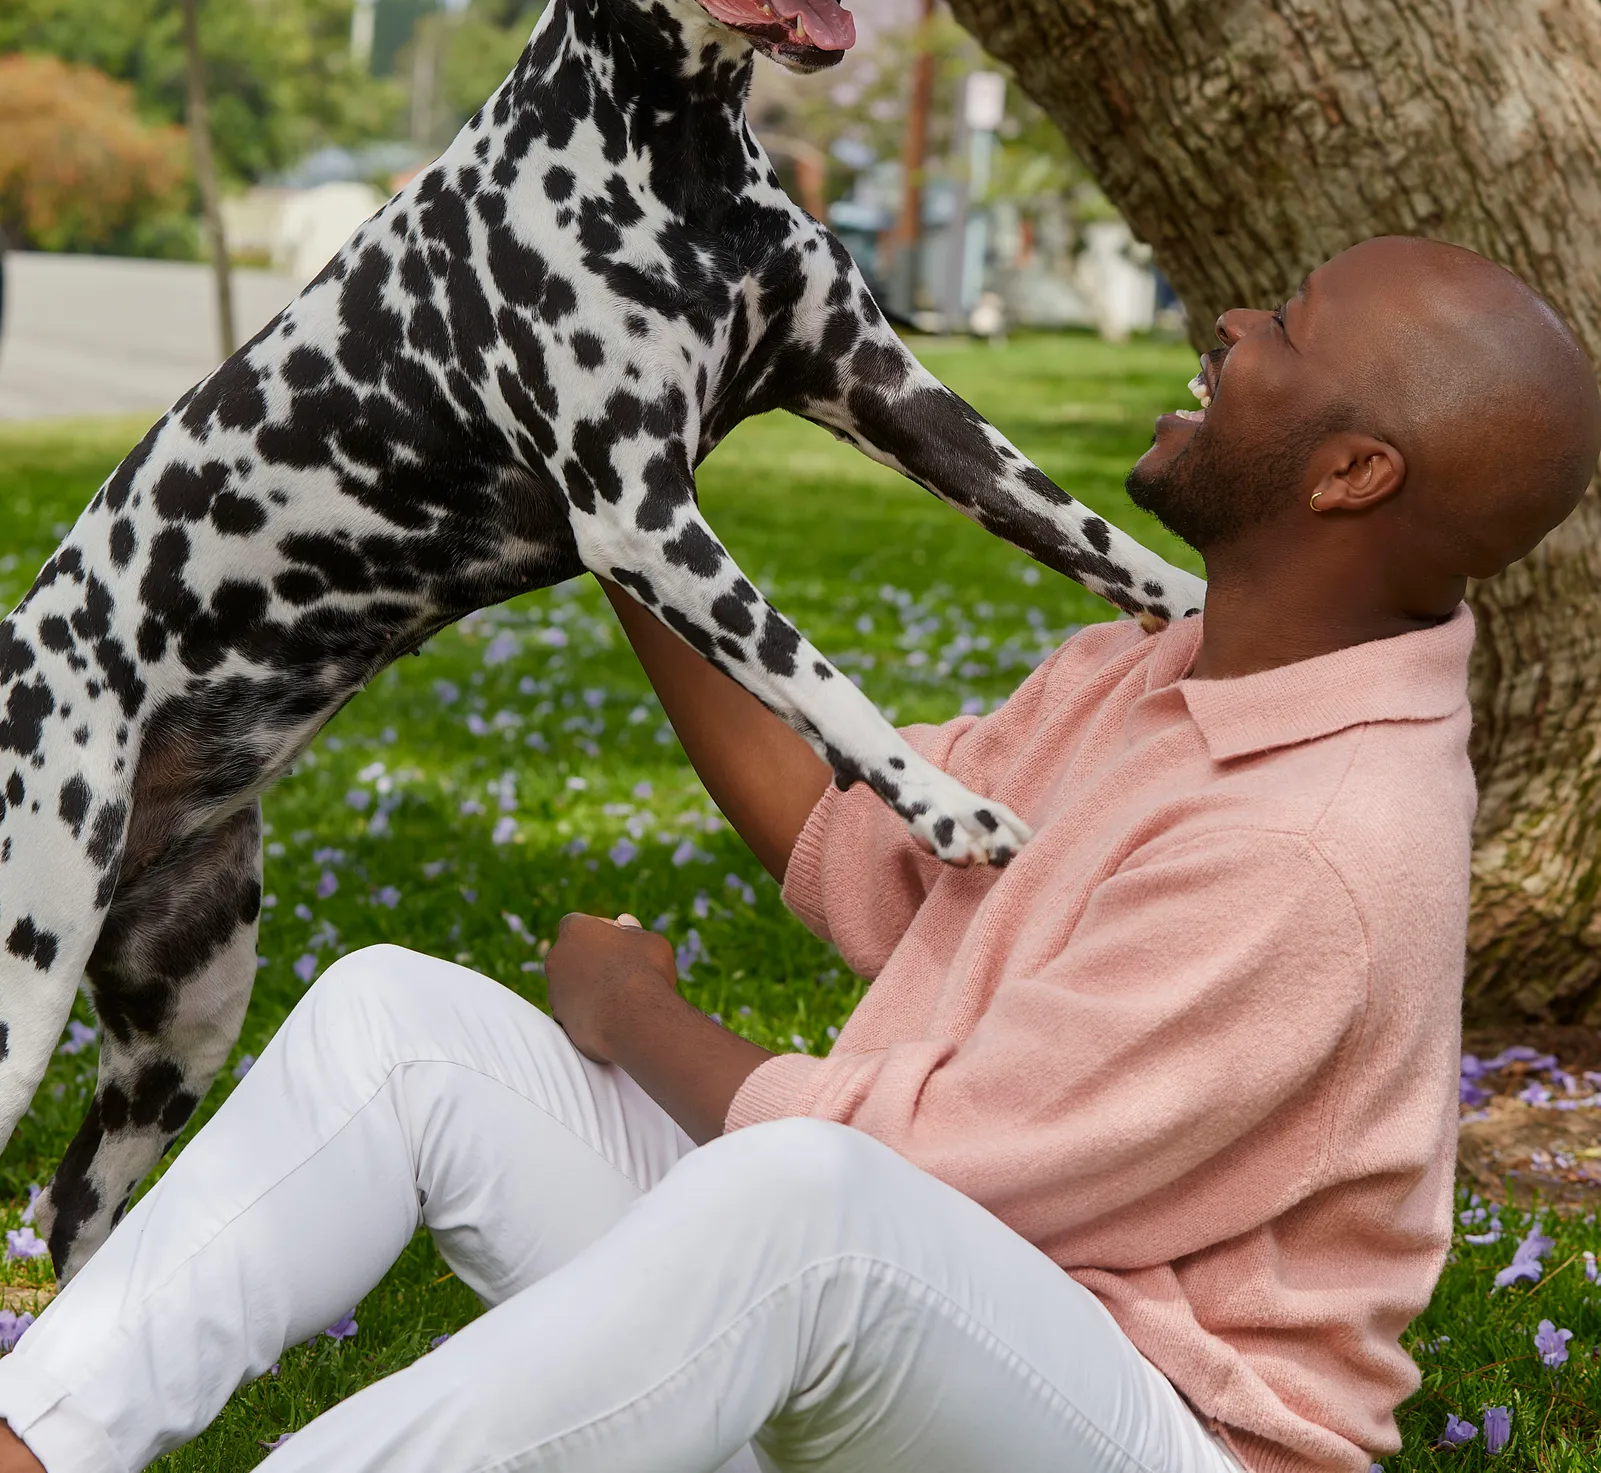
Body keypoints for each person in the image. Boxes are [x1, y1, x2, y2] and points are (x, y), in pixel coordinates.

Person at [0, 235, 1595, 1473]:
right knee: (397, 1026)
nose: (1233, 326)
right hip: (936, 1334)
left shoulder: (1322, 843)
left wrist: (640, 1022)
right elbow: (867, 848)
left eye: (1291, 329)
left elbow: (929, 1181)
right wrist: (616, 514)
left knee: (811, 1206)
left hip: (1151, 1424)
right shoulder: (1164, 673)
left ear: (1352, 474)